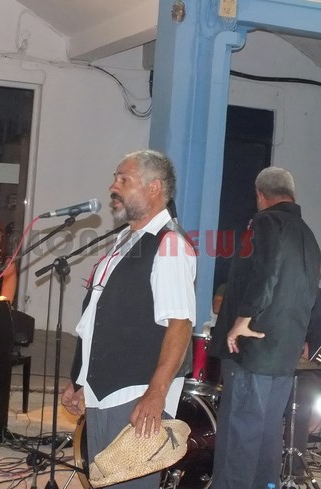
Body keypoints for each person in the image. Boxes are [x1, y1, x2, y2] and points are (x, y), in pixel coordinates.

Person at [61, 149, 196, 489]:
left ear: (154, 187)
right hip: (105, 393)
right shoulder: (126, 240)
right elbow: (99, 318)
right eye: (114, 179)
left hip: (137, 396)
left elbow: (180, 324)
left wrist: (156, 394)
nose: (113, 187)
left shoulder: (170, 244)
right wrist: (82, 380)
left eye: (124, 179)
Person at [209, 166, 321, 489]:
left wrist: (242, 320)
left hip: (253, 349)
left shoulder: (264, 222)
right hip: (284, 353)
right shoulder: (308, 235)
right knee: (267, 439)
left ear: (260, 195)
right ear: (292, 195)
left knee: (239, 439)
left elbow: (266, 272)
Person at [284, 287, 321, 477]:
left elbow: (314, 352)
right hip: (271, 367)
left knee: (301, 398)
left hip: (305, 372)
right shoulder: (278, 291)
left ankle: (294, 471)